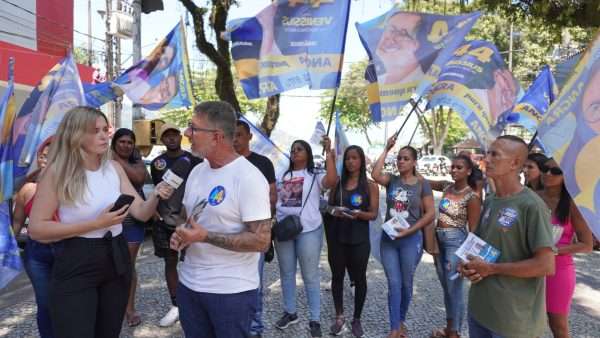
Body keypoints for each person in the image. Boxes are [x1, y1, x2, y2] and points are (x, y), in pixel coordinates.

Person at [28, 106, 172, 338]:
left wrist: (156, 194)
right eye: (96, 131)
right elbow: (37, 229)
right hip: (77, 257)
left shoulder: (114, 168)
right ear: (76, 134)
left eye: (106, 129)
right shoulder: (57, 172)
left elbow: (142, 213)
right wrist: (96, 223)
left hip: (116, 256)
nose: (105, 135)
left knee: (109, 332)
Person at [168, 101, 272, 337]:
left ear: (216, 137)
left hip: (230, 293)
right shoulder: (197, 171)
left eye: (193, 128)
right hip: (189, 286)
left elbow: (261, 241)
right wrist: (182, 234)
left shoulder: (249, 178)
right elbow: (187, 218)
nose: (186, 133)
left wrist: (204, 236)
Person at [459, 135, 556, 338]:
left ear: (514, 163)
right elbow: (476, 244)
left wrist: (492, 269)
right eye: (488, 153)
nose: (487, 158)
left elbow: (546, 265)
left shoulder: (532, 206)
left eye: (495, 154)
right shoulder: (492, 200)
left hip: (513, 321)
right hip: (480, 311)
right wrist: (465, 265)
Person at [371, 137, 436, 338]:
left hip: (410, 240)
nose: (401, 162)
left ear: (414, 162)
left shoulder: (422, 184)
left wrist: (410, 231)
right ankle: (394, 329)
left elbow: (430, 213)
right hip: (389, 239)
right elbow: (374, 174)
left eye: (406, 159)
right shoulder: (392, 179)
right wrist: (387, 148)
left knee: (406, 284)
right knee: (393, 283)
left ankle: (400, 321)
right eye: (399, 158)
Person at [274, 138, 337, 337]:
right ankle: (290, 312)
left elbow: (332, 181)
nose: (295, 152)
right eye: (293, 149)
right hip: (284, 230)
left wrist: (329, 154)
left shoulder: (316, 174)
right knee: (286, 273)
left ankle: (315, 319)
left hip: (308, 230)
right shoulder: (282, 175)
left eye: (299, 149)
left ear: (308, 153)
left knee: (310, 276)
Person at [150, 123, 202, 327]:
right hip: (165, 222)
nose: (171, 139)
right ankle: (176, 305)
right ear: (162, 140)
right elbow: (156, 190)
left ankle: (195, 304)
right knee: (169, 263)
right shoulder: (156, 163)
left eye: (174, 135)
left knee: (194, 262)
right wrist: (156, 214)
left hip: (190, 222)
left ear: (181, 137)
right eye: (167, 136)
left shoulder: (195, 160)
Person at [325, 145, 379, 337]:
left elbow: (373, 214)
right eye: (348, 158)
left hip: (359, 240)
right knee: (337, 277)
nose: (350, 161)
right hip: (337, 238)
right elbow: (328, 206)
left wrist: (359, 214)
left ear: (361, 160)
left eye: (355, 158)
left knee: (360, 279)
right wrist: (334, 211)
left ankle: (357, 319)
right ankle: (339, 316)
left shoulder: (370, 185)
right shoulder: (338, 183)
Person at [536, 158, 593, 338]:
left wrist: (556, 250)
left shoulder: (571, 204)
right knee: (527, 321)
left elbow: (587, 245)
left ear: (566, 175)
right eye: (545, 168)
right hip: (529, 265)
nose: (548, 174)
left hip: (558, 270)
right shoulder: (532, 197)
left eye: (556, 171)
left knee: (558, 325)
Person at [426, 155, 482, 338]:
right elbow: (422, 181)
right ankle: (450, 328)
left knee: (454, 288)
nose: (454, 170)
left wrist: (467, 257)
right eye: (452, 167)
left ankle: (455, 332)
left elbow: (474, 230)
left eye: (459, 168)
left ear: (468, 171)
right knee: (446, 287)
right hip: (438, 239)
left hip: (456, 241)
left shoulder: (471, 196)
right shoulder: (446, 187)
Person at [233, 119, 277, 338]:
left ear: (249, 137)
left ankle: (255, 327)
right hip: (229, 232)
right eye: (232, 134)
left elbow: (272, 197)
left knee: (254, 283)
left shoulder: (263, 163)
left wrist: (253, 215)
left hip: (254, 232)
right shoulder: (224, 163)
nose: (236, 139)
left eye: (239, 134)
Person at [11, 138, 53, 338]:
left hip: (68, 251)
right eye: (43, 156)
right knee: (45, 304)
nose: (47, 160)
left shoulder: (72, 185)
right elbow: (17, 223)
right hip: (37, 254)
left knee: (67, 301)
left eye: (53, 155)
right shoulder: (27, 189)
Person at [110, 128, 148, 327]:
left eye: (129, 142)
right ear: (114, 142)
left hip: (133, 220)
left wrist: (116, 159)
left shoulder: (136, 162)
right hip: (109, 220)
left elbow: (139, 179)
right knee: (108, 265)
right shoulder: (104, 162)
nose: (125, 145)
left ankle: (129, 308)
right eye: (121, 142)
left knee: (127, 266)